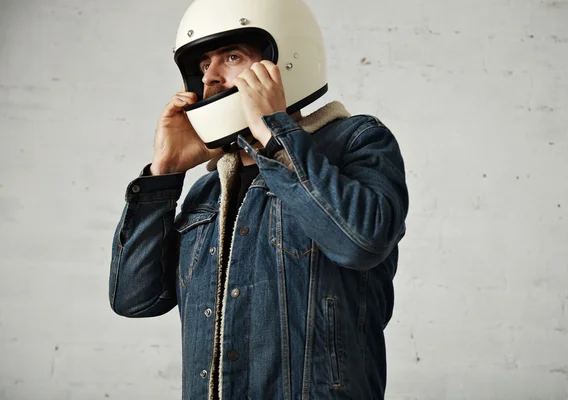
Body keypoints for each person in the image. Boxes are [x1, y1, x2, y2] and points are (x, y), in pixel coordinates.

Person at [109, 0, 409, 399]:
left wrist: (275, 134)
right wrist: (164, 174)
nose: (210, 78)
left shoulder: (356, 142)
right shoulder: (210, 188)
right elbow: (134, 299)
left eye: (231, 57)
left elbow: (361, 242)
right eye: (203, 66)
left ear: (284, 62)